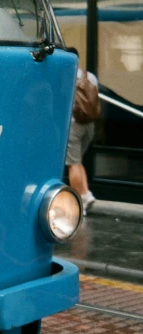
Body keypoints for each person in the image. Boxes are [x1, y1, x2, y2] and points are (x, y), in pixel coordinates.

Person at [65, 47, 98, 214]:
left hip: (74, 124)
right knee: (78, 162)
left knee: (72, 164)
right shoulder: (89, 76)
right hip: (89, 125)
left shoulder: (66, 76)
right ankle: (86, 195)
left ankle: (80, 199)